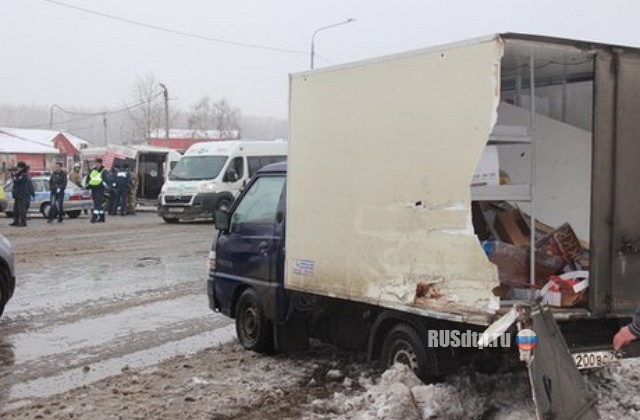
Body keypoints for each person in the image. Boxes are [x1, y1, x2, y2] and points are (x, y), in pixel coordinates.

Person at [9, 162, 35, 227]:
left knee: (22, 210)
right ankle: (16, 221)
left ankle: (23, 222)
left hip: (22, 195)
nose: (17, 168)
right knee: (16, 209)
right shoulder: (19, 174)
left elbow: (17, 182)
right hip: (18, 195)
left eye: (18, 167)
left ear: (22, 168)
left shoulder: (24, 175)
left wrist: (14, 176)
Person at [86, 158, 109, 223]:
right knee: (99, 204)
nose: (96, 164)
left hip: (100, 189)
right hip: (94, 188)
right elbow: (89, 178)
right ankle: (102, 217)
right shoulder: (93, 170)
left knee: (97, 203)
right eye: (95, 163)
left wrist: (106, 187)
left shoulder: (104, 171)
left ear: (101, 163)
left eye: (97, 163)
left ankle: (94, 217)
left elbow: (106, 180)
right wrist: (88, 186)